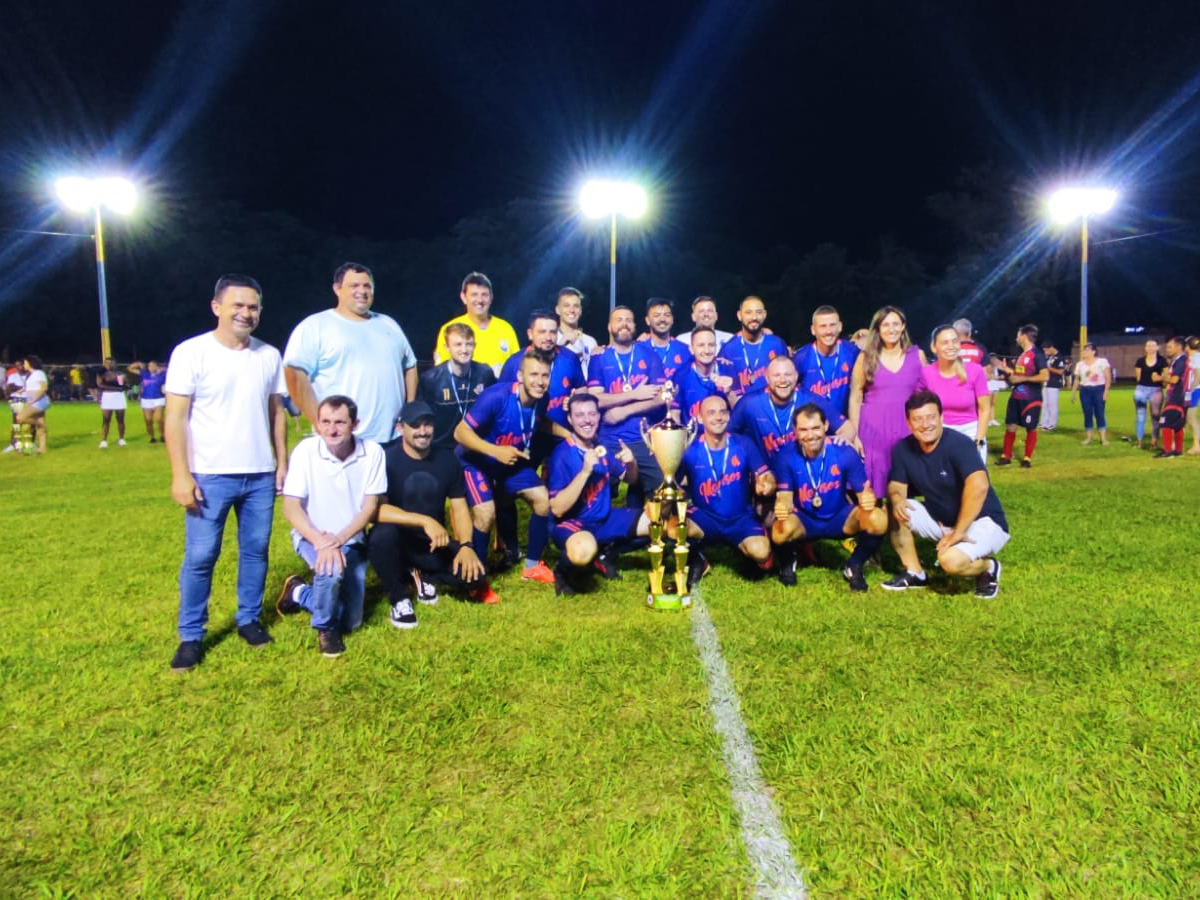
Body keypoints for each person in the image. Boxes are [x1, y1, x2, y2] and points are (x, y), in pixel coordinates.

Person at [164, 274, 288, 672]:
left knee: (256, 551)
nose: (246, 313)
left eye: (253, 306)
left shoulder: (269, 355)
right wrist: (181, 474)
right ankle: (191, 636)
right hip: (209, 475)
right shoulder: (191, 352)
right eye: (238, 305)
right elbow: (175, 417)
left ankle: (248, 619)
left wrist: (282, 463)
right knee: (201, 556)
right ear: (217, 307)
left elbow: (276, 413)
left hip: (260, 475)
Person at [368, 401, 493, 627]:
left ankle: (422, 575)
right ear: (400, 428)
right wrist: (424, 521)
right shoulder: (386, 459)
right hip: (397, 540)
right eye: (415, 425)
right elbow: (375, 511)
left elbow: (459, 507)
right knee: (380, 536)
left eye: (427, 424)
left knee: (475, 577)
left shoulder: (447, 459)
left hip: (433, 543)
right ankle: (400, 598)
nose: (423, 431)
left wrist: (466, 546)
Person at [277, 395, 385, 656]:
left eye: (340, 422)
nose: (331, 429)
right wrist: (320, 541)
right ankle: (325, 629)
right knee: (330, 569)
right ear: (317, 424)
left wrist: (339, 539)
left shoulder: (372, 452)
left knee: (351, 621)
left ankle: (298, 592)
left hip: (351, 538)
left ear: (355, 424)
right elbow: (290, 507)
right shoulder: (305, 451)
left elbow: (369, 507)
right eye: (325, 422)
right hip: (311, 536)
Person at [883, 391, 1008, 597]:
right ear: (908, 423)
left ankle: (988, 567)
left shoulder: (959, 444)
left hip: (982, 521)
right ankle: (915, 572)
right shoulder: (903, 448)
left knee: (950, 561)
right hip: (943, 521)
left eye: (931, 417)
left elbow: (979, 486)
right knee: (895, 507)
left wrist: (959, 532)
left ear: (942, 417)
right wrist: (897, 499)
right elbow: (896, 486)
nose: (925, 425)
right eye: (918, 419)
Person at [455, 353, 562, 585]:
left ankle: (531, 566)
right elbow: (460, 433)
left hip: (508, 460)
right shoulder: (496, 397)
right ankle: (477, 578)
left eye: (545, 375)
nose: (540, 381)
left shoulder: (542, 399)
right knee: (486, 513)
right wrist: (495, 451)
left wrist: (569, 435)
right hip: (475, 460)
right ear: (520, 376)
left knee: (543, 500)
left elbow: (540, 421)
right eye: (533, 374)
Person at [284, 262, 418, 445]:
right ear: (337, 289)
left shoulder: (389, 324)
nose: (362, 291)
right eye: (354, 285)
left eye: (367, 286)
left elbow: (410, 365)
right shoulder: (316, 326)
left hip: (392, 439)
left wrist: (409, 410)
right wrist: (319, 423)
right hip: (341, 442)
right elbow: (294, 374)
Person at [771, 403, 887, 591]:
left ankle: (855, 564)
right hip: (805, 520)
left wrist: (868, 498)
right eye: (804, 430)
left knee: (878, 518)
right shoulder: (786, 455)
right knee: (779, 530)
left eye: (815, 428)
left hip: (839, 517)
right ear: (795, 431)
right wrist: (782, 506)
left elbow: (865, 493)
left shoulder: (844, 452)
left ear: (825, 426)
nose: (810, 435)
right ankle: (788, 563)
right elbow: (785, 496)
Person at [547, 392, 646, 595]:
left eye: (592, 414)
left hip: (604, 519)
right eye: (580, 415)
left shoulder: (600, 448)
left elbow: (630, 479)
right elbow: (557, 509)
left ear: (599, 416)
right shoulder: (561, 454)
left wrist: (632, 463)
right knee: (583, 550)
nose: (587, 420)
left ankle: (604, 555)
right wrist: (585, 472)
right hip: (572, 524)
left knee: (659, 522)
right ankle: (562, 570)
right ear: (570, 419)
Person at [678, 394, 776, 587]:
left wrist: (768, 485)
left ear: (729, 416)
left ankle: (746, 552)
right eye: (711, 413)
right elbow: (674, 483)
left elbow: (766, 476)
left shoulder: (743, 443)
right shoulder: (689, 449)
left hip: (740, 517)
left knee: (761, 552)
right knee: (674, 528)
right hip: (705, 517)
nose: (718, 417)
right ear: (700, 418)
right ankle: (697, 558)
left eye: (723, 412)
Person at [586, 305, 669, 506]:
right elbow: (596, 399)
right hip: (608, 440)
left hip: (643, 439)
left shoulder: (649, 355)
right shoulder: (598, 358)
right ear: (609, 327)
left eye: (629, 320)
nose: (624, 324)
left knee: (663, 493)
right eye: (619, 320)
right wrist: (634, 394)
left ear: (635, 326)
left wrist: (624, 411)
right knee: (596, 495)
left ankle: (647, 525)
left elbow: (661, 397)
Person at [849, 306, 926, 495]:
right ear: (877, 329)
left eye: (895, 324)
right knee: (871, 493)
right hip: (873, 432)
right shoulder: (865, 358)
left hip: (906, 430)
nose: (891, 329)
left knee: (905, 492)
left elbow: (926, 396)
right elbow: (855, 397)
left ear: (903, 326)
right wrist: (855, 434)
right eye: (885, 325)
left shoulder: (917, 356)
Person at [730, 356, 850, 468]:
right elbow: (727, 435)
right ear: (767, 378)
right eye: (776, 375)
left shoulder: (811, 400)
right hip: (766, 475)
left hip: (804, 474)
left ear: (796, 376)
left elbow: (847, 428)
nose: (783, 380)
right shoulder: (749, 403)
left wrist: (837, 446)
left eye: (788, 374)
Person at [498, 309, 586, 429]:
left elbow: (582, 390)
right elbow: (501, 402)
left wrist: (575, 400)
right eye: (542, 332)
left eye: (553, 332)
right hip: (525, 435)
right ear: (530, 334)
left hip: (562, 435)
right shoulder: (514, 362)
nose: (548, 337)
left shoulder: (570, 359)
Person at [916, 324, 989, 462]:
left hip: (970, 432)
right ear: (934, 347)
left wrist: (979, 440)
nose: (951, 346)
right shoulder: (926, 373)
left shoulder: (975, 371)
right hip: (940, 432)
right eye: (945, 342)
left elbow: (984, 409)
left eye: (955, 341)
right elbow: (917, 406)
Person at [418, 323, 496, 450]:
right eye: (458, 344)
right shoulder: (431, 379)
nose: (464, 350)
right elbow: (423, 417)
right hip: (442, 446)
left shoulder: (485, 374)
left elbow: (494, 410)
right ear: (447, 347)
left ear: (474, 346)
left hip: (477, 445)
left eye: (469, 344)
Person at [432, 272, 521, 374]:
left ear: (491, 297)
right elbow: (442, 373)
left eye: (484, 295)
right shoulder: (450, 329)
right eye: (474, 294)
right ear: (463, 297)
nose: (480, 300)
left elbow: (517, 367)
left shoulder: (505, 329)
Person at [993, 324, 1048, 467]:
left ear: (1024, 336)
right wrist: (1007, 372)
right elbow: (1016, 378)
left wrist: (1022, 379)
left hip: (1031, 398)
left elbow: (1045, 376)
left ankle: (1027, 459)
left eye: (1018, 335)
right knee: (1010, 426)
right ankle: (1006, 456)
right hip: (1016, 397)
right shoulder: (1022, 355)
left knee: (1031, 427)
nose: (1016, 338)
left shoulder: (1037, 354)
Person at [792, 305, 861, 417]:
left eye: (832, 325)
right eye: (823, 326)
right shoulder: (801, 358)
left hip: (846, 423)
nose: (828, 331)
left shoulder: (853, 353)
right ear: (813, 330)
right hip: (813, 424)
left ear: (840, 327)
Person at [718, 295, 790, 400]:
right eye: (748, 312)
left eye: (758, 312)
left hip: (772, 406)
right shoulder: (728, 349)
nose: (754, 317)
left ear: (764, 315)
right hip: (741, 407)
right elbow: (723, 389)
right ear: (739, 315)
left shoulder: (777, 344)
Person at [674, 326, 735, 430]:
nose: (707, 350)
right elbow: (675, 414)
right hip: (692, 437)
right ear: (692, 349)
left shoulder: (729, 370)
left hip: (724, 435)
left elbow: (741, 414)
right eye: (701, 345)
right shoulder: (681, 376)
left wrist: (729, 393)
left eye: (711, 345)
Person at [640, 298, 692, 382]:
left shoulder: (685, 350)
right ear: (647, 320)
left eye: (667, 315)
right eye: (657, 315)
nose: (662, 319)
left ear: (672, 319)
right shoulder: (638, 349)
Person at [1072, 343, 1112, 445]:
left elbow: (1108, 377)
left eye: (1087, 350)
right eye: (1084, 350)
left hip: (1099, 389)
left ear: (1093, 352)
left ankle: (1103, 438)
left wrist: (1106, 391)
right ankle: (1089, 437)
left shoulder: (1102, 362)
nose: (1084, 352)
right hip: (1085, 390)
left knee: (1100, 413)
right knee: (1087, 413)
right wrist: (1073, 393)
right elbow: (1077, 379)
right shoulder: (1080, 364)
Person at [1156, 336, 1189, 458]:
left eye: (1170, 347)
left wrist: (1159, 378)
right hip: (1181, 396)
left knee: (1165, 422)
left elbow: (1175, 380)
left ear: (1179, 347)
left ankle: (1168, 451)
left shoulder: (1181, 361)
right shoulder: (1180, 360)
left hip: (1176, 396)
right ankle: (1178, 451)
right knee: (1178, 424)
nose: (1167, 349)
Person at [1132, 338, 1166, 449]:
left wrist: (1160, 380)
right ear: (1145, 348)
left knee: (1155, 415)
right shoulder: (1140, 361)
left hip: (1156, 390)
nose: (1150, 348)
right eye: (1148, 345)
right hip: (1141, 389)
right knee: (1140, 415)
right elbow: (1138, 378)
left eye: (1153, 345)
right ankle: (1139, 441)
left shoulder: (1162, 361)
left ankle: (1154, 441)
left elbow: (1166, 376)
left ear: (1157, 347)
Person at [554, 287, 599, 368]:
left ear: (580, 310)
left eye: (576, 306)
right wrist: (561, 345)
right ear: (557, 310)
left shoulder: (590, 342)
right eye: (566, 305)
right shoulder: (551, 339)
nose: (572, 310)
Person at [14, 356, 50, 454]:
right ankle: (42, 449)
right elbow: (30, 386)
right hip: (34, 401)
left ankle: (41, 425)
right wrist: (21, 391)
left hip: (39, 401)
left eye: (25, 363)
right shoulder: (31, 374)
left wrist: (33, 400)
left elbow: (43, 388)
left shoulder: (39, 373)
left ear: (31, 363)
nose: (24, 365)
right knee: (40, 424)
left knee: (20, 418)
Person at [97, 356, 128, 448]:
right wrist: (117, 388)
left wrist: (123, 382)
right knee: (106, 419)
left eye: (111, 363)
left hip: (119, 397)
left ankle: (121, 439)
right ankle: (104, 440)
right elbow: (100, 385)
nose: (109, 365)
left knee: (120, 419)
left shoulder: (119, 373)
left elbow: (123, 386)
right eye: (107, 363)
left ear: (115, 364)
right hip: (107, 397)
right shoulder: (101, 373)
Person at [139, 360, 167, 443]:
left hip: (158, 398)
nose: (151, 367)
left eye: (153, 365)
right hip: (146, 399)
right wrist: (137, 364)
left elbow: (172, 369)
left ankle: (163, 435)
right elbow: (130, 368)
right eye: (149, 366)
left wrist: (162, 369)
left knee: (159, 418)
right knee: (148, 420)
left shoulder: (162, 375)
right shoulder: (145, 375)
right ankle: (152, 437)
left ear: (157, 366)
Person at [1041, 342, 1066, 431]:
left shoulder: (1059, 357)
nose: (1045, 352)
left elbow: (1061, 371)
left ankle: (1052, 424)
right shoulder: (1049, 357)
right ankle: (1044, 423)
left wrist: (1049, 368)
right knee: (1044, 404)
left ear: (1051, 347)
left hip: (1054, 383)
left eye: (1046, 350)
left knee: (1052, 405)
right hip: (1046, 383)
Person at [1187, 335, 1200, 455]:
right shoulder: (1191, 357)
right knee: (1187, 418)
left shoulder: (1196, 358)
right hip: (1191, 390)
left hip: (1193, 390)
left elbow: (1197, 375)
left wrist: (1190, 389)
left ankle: (1197, 445)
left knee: (1191, 417)